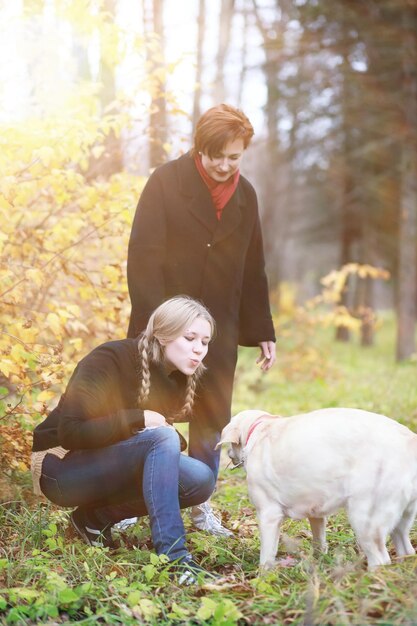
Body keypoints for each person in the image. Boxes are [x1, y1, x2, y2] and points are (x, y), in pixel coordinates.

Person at [127, 104, 276, 536]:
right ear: (200, 147)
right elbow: (143, 256)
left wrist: (261, 328)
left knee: (211, 414)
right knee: (151, 409)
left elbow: (254, 266)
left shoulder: (245, 195)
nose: (226, 166)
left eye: (235, 157)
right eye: (218, 156)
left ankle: (200, 506)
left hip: (219, 329)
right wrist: (160, 326)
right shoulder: (165, 183)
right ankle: (135, 501)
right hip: (163, 323)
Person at [31, 296, 217, 584]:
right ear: (163, 335)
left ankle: (92, 520)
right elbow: (71, 432)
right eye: (190, 337)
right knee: (163, 438)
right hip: (59, 469)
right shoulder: (110, 358)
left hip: (103, 466)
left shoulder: (177, 378)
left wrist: (153, 428)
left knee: (200, 479)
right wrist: (138, 419)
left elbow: (158, 438)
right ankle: (175, 558)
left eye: (204, 342)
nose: (198, 349)